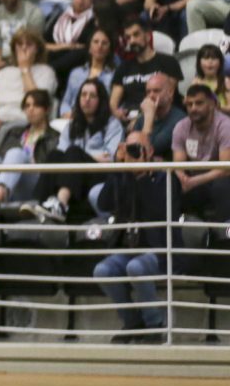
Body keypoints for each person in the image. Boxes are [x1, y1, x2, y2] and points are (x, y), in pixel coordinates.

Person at [93, 129, 179, 343]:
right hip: (129, 248)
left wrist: (142, 176)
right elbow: (103, 203)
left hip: (161, 250)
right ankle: (132, 323)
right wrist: (117, 167)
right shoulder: (123, 176)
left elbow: (160, 211)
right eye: (128, 149)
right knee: (102, 271)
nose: (132, 153)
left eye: (136, 148)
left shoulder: (165, 176)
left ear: (150, 151)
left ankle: (154, 325)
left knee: (136, 268)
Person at [29, 78, 123, 222]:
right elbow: (62, 154)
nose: (87, 99)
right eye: (83, 95)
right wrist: (92, 156)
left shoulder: (113, 125)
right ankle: (38, 203)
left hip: (100, 175)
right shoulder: (71, 126)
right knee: (54, 155)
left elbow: (111, 157)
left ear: (101, 101)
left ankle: (61, 205)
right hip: (75, 174)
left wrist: (84, 156)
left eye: (92, 96)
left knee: (74, 151)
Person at [172, 83, 230, 221]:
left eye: (199, 103)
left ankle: (223, 231)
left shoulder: (225, 126)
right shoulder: (181, 126)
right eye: (189, 104)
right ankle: (176, 229)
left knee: (222, 185)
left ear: (212, 104)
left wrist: (194, 181)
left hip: (219, 178)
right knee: (170, 181)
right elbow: (178, 165)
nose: (193, 108)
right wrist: (183, 178)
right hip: (194, 179)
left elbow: (225, 168)